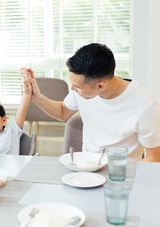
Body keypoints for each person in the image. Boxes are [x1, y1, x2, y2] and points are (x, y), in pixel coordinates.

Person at [23, 43, 160, 162]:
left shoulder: (146, 107)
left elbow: (154, 158)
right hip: (85, 169)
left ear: (100, 86)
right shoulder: (84, 90)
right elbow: (62, 112)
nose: (72, 89)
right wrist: (37, 97)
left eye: (77, 87)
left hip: (119, 175)